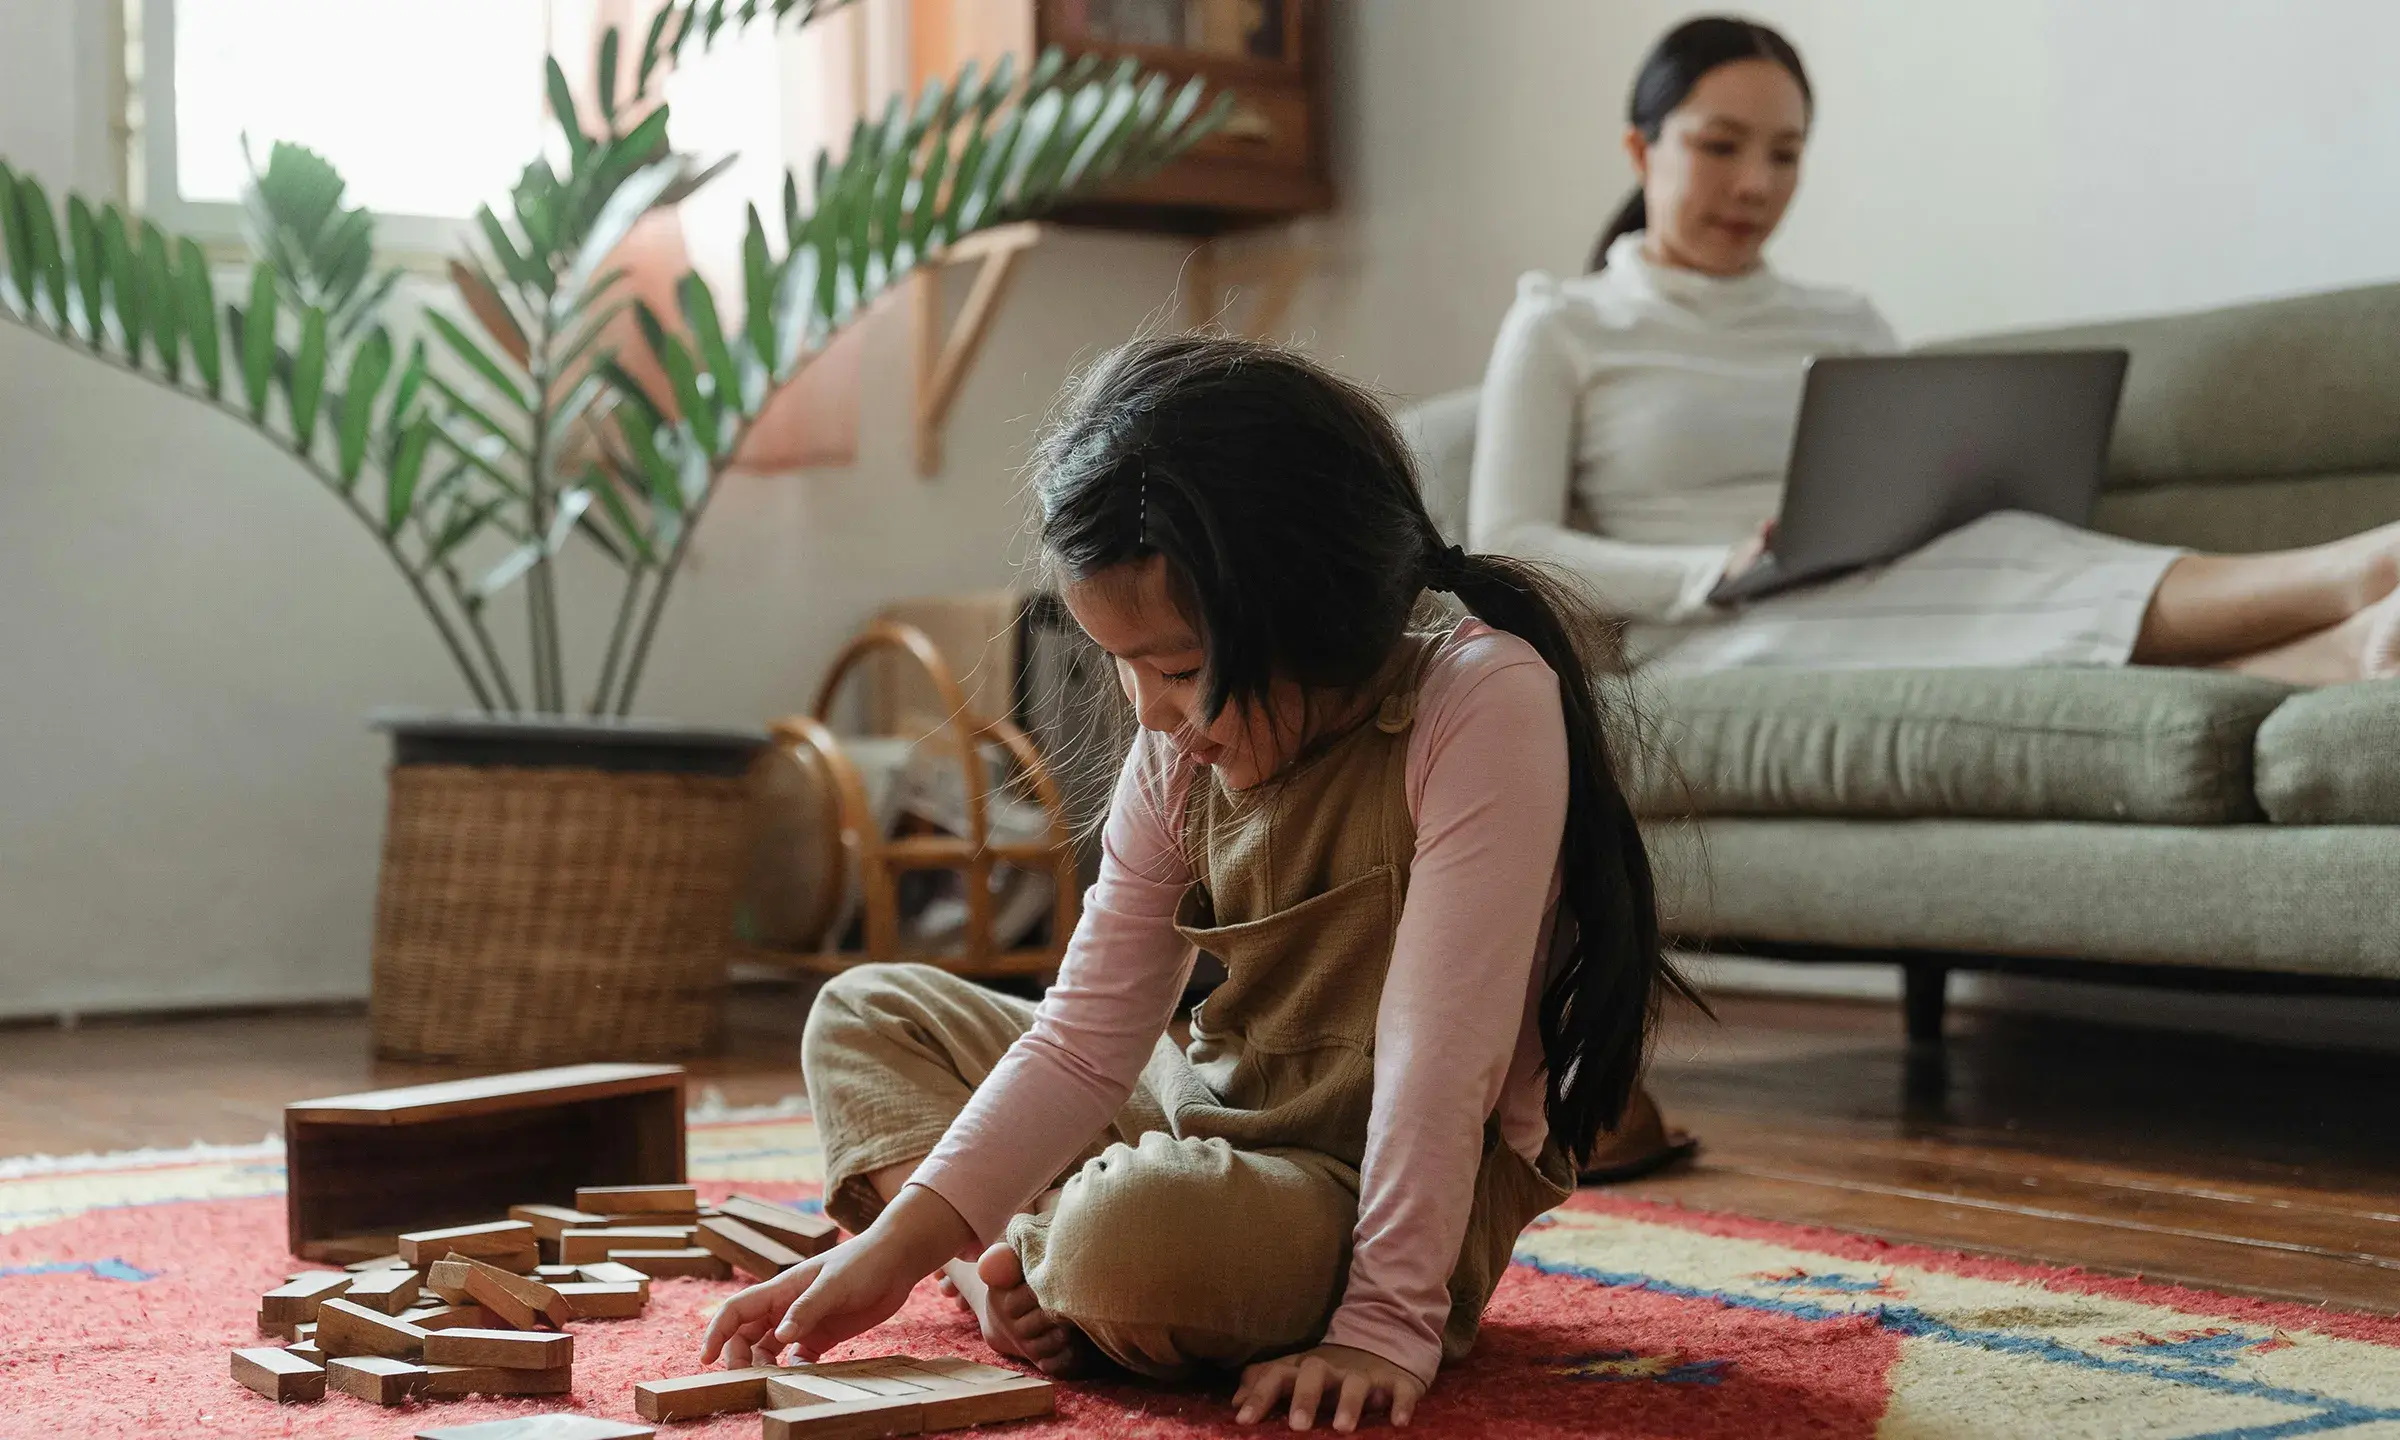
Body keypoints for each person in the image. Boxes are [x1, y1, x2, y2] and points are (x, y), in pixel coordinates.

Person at [700, 335, 1695, 1431]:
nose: (1148, 712)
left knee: (1135, 1240)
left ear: (1311, 614)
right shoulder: (1176, 747)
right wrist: (894, 1255)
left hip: (1370, 1197)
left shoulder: (1483, 697)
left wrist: (1385, 1325)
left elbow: (1438, 1060)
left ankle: (1049, 1256)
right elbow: (1085, 1038)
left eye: (1175, 668)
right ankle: (1003, 1272)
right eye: (1121, 666)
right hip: (1208, 1119)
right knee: (865, 1012)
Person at [1470, 15, 2400, 682]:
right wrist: (1706, 573)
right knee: (1987, 567)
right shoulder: (1561, 324)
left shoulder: (1845, 322)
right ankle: (2357, 572)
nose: (1754, 184)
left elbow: (1911, 487)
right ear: (1641, 150)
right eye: (1721, 147)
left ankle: (2346, 651)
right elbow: (1505, 546)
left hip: (1887, 583)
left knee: (2000, 540)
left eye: (1785, 155)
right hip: (1710, 631)